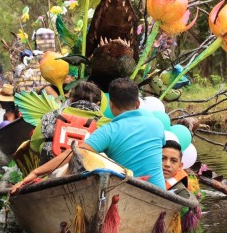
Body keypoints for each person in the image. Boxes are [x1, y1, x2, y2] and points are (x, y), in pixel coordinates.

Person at [12, 78, 166, 193]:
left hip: (121, 190)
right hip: (157, 192)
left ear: (111, 104)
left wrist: (35, 172)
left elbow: (73, 153)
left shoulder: (109, 130)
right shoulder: (158, 125)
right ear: (138, 104)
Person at [36, 81, 101, 164]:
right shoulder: (106, 124)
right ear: (98, 104)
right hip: (88, 171)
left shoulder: (50, 116)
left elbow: (34, 146)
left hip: (51, 168)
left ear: (70, 100)